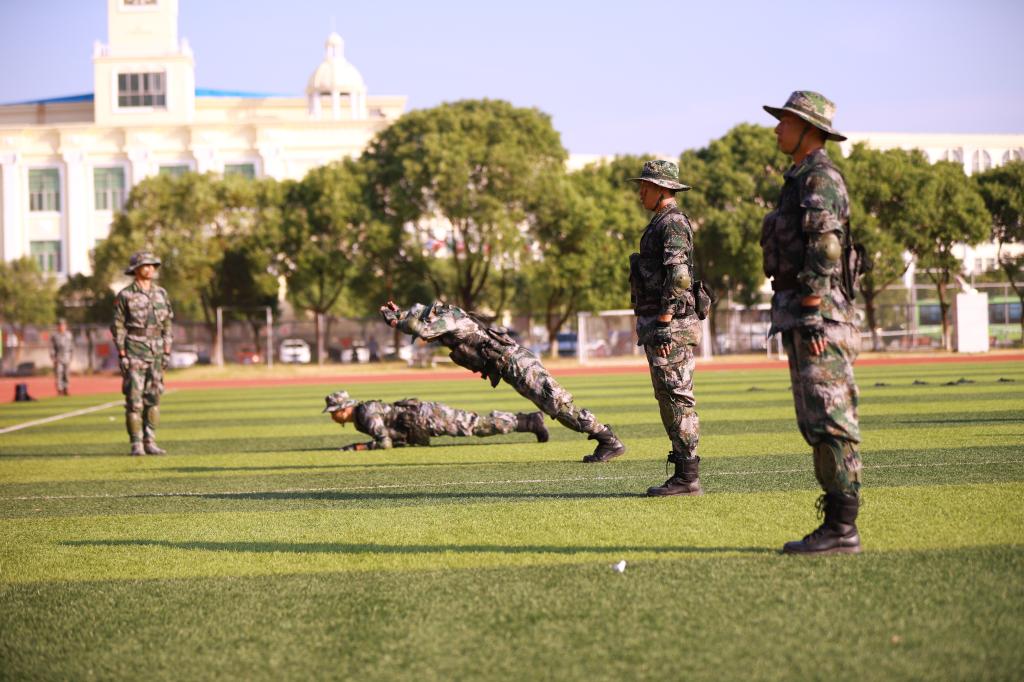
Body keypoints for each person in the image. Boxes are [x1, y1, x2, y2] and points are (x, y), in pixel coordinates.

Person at [761, 91, 862, 554]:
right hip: (805, 314)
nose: (778, 128)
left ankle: (843, 528)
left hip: (818, 315)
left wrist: (810, 309)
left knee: (831, 418)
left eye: (785, 121)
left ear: (808, 129)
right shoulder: (799, 178)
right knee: (817, 422)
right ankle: (837, 524)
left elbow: (826, 247)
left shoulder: (819, 177)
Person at [380, 301, 625, 462]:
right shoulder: (441, 318)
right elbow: (417, 324)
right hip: (509, 367)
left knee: (558, 406)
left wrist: (396, 321)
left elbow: (420, 328)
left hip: (517, 364)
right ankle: (605, 439)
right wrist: (398, 314)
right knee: (554, 408)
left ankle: (607, 439)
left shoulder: (448, 317)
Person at [628, 160, 706, 496]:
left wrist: (664, 321)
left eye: (644, 186)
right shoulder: (662, 222)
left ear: (662, 189)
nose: (640, 192)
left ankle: (688, 477)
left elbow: (679, 277)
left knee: (676, 397)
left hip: (671, 327)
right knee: (669, 397)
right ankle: (683, 473)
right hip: (664, 325)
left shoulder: (672, 222)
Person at [323, 390, 549, 450]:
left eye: (334, 412)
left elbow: (385, 442)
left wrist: (359, 447)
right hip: (422, 419)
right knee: (476, 424)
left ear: (344, 408)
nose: (333, 416)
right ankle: (527, 421)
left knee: (475, 425)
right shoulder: (361, 416)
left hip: (427, 417)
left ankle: (529, 422)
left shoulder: (364, 413)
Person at [111, 251, 174, 456]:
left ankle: (150, 440)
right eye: (146, 265)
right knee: (134, 399)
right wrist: (122, 353)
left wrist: (166, 350)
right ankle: (136, 443)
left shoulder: (161, 294)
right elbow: (118, 326)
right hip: (134, 349)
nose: (150, 269)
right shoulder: (125, 295)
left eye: (153, 265)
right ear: (136, 269)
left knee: (153, 398)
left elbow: (167, 324)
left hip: (156, 350)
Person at [50, 318, 74, 396]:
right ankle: (60, 389)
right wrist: (53, 357)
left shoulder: (69, 335)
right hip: (58, 356)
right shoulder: (55, 336)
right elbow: (52, 347)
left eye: (63, 325)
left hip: (67, 356)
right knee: (59, 373)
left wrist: (71, 356)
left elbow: (71, 346)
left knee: (66, 373)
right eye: (60, 325)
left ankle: (66, 388)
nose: (61, 326)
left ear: (65, 326)